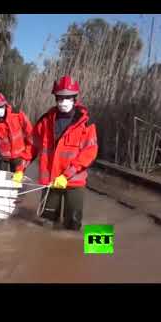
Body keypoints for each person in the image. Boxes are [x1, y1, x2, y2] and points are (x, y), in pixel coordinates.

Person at [25, 75, 98, 231]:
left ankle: (92, 252)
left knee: (74, 224)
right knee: (46, 223)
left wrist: (67, 175)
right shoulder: (45, 120)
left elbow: (89, 153)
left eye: (68, 98)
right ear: (55, 98)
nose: (64, 102)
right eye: (60, 98)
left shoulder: (86, 123)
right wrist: (20, 168)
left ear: (74, 98)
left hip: (74, 181)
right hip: (50, 181)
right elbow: (32, 146)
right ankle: (48, 252)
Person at [0, 91, 34, 183]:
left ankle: (19, 196)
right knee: (1, 183)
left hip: (19, 156)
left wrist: (27, 155)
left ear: (5, 105)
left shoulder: (17, 115)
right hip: (2, 158)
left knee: (18, 183)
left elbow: (30, 135)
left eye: (1, 107)